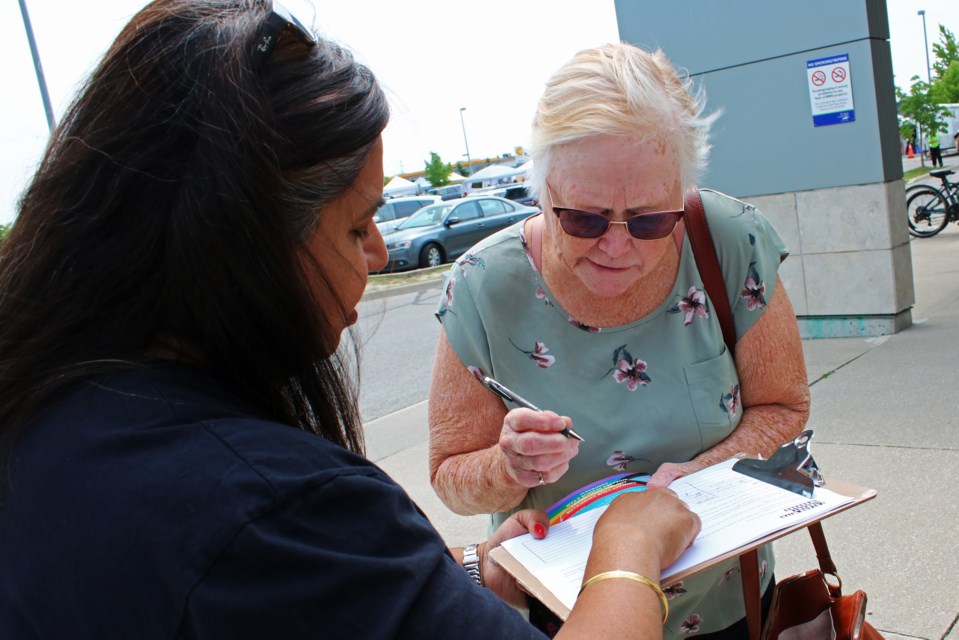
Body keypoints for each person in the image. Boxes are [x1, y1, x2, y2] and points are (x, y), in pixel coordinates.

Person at [0, 3, 703, 638]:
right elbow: (442, 477)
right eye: (356, 224)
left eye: (649, 219)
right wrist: (627, 550)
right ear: (239, 244)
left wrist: (460, 578)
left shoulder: (53, 413)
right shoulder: (279, 508)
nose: (376, 253)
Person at [429, 43, 811, 638]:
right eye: (583, 218)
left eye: (650, 219)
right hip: (565, 611)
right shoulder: (483, 286)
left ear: (683, 192)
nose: (616, 245)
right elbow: (451, 476)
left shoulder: (731, 244)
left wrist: (702, 477)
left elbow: (783, 406)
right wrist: (508, 466)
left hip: (726, 603)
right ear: (541, 188)